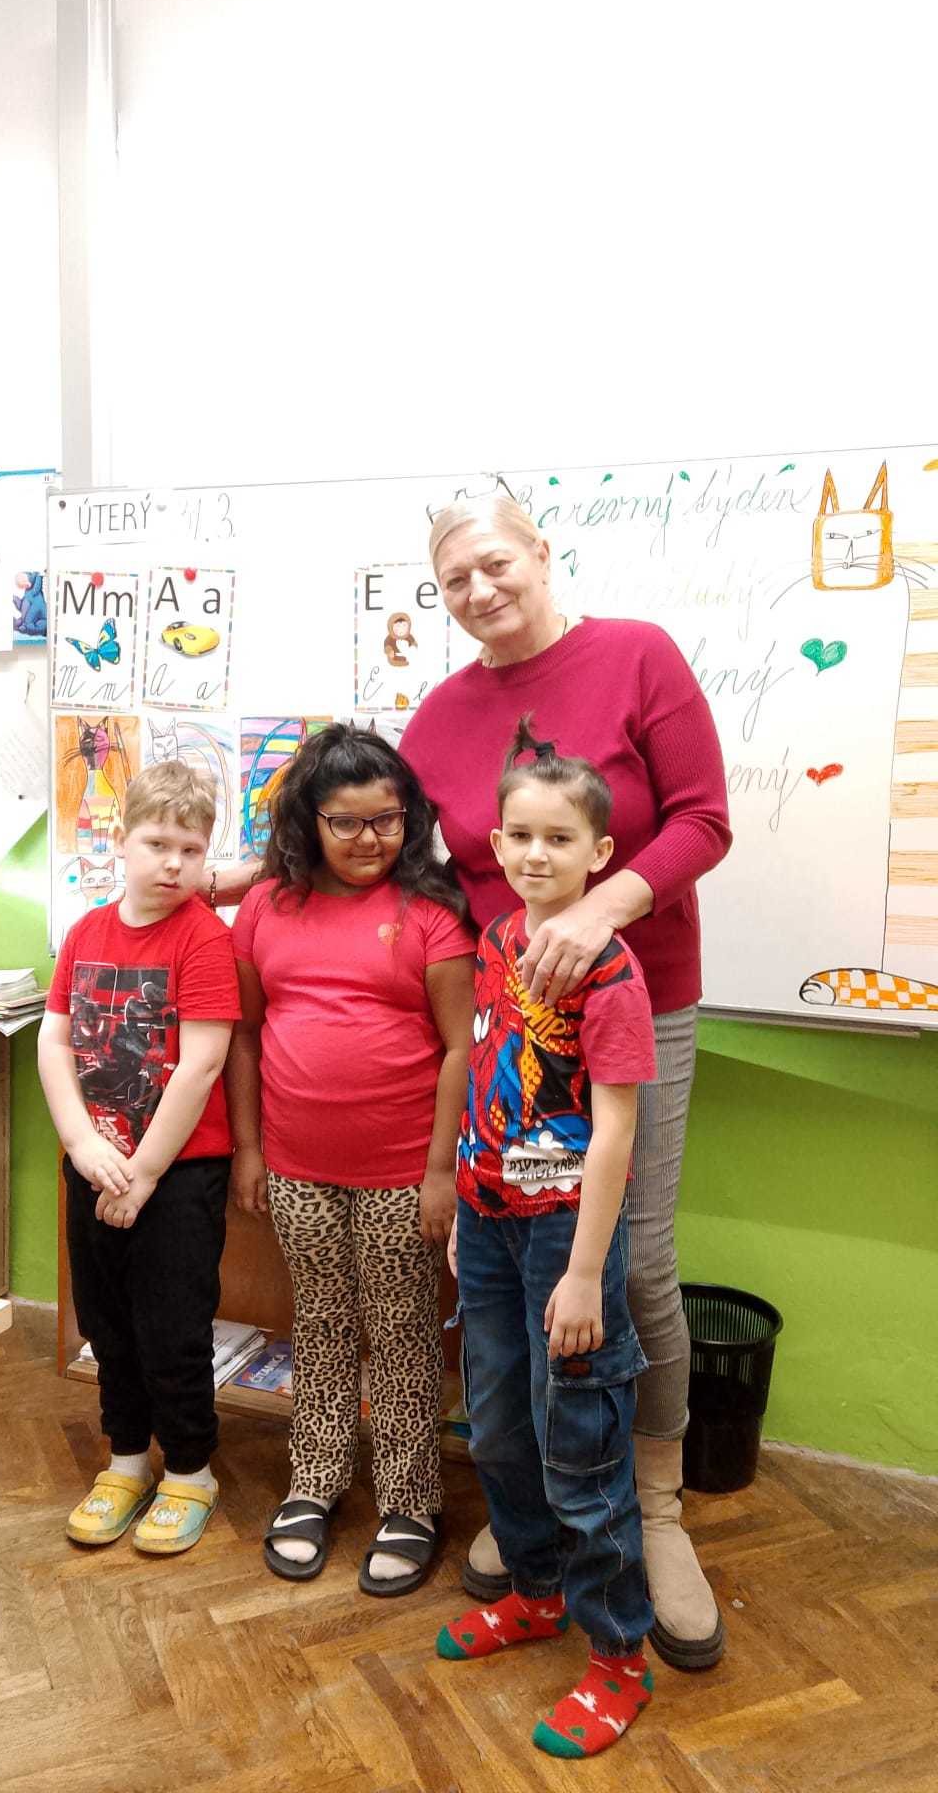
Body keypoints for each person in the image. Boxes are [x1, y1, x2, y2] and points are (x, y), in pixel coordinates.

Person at [401, 489, 732, 1670]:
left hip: (637, 1001)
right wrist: (254, 878)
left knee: (627, 1261)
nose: (479, 589)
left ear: (542, 552)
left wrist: (602, 912)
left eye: (496, 562)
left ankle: (652, 1508)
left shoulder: (637, 657)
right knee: (517, 1258)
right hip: (507, 1022)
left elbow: (703, 822)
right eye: (454, 579)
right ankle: (545, 1507)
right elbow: (400, 855)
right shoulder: (439, 715)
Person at [436, 719, 657, 1760]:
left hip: (567, 1238)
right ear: (495, 842)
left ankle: (618, 1657)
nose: (535, 854)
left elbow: (614, 1132)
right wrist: (466, 1202)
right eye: (519, 836)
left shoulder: (608, 972)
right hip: (488, 1225)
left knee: (580, 1446)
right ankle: (535, 1592)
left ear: (598, 854)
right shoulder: (495, 943)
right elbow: (488, 1070)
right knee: (497, 1427)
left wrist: (582, 1274)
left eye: (559, 839)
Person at [226, 723, 475, 1594]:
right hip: (296, 1166)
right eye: (347, 823)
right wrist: (250, 1149)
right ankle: (315, 1481)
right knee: (322, 1324)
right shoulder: (266, 907)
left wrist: (440, 1172)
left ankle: (410, 1501)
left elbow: (461, 1048)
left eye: (387, 820)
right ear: (310, 821)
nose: (370, 840)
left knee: (403, 1335)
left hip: (405, 1173)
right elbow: (246, 1034)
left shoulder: (431, 913)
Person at [38, 761, 240, 1555]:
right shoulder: (86, 932)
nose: (173, 864)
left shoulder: (205, 938)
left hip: (177, 1174)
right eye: (157, 844)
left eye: (191, 850)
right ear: (120, 841)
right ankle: (125, 1460)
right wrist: (82, 1144)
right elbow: (55, 1042)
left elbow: (201, 1065)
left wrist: (147, 1172)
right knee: (106, 1324)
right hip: (95, 1165)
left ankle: (189, 1472)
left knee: (172, 1329)